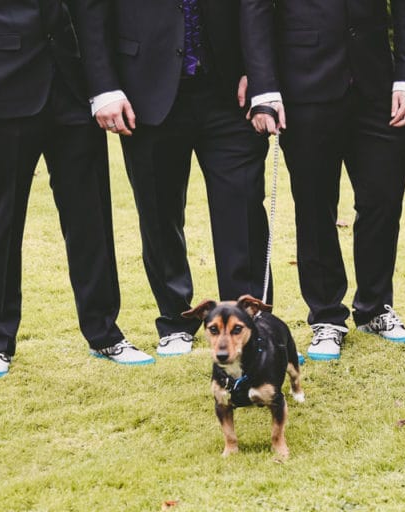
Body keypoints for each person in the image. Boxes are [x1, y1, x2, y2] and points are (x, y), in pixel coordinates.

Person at [0, 0, 153, 380]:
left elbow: (89, 10)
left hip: (73, 90)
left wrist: (103, 87)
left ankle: (105, 333)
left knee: (91, 218)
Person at [74, 0, 271, 356]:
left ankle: (249, 321)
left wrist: (260, 74)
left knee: (242, 210)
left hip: (229, 90)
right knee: (158, 212)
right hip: (144, 89)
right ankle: (175, 320)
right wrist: (104, 87)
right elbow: (91, 10)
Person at [240, 0, 405, 361]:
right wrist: (264, 87)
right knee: (314, 205)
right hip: (303, 83)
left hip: (376, 82)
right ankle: (326, 315)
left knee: (384, 198)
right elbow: (255, 7)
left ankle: (375, 308)